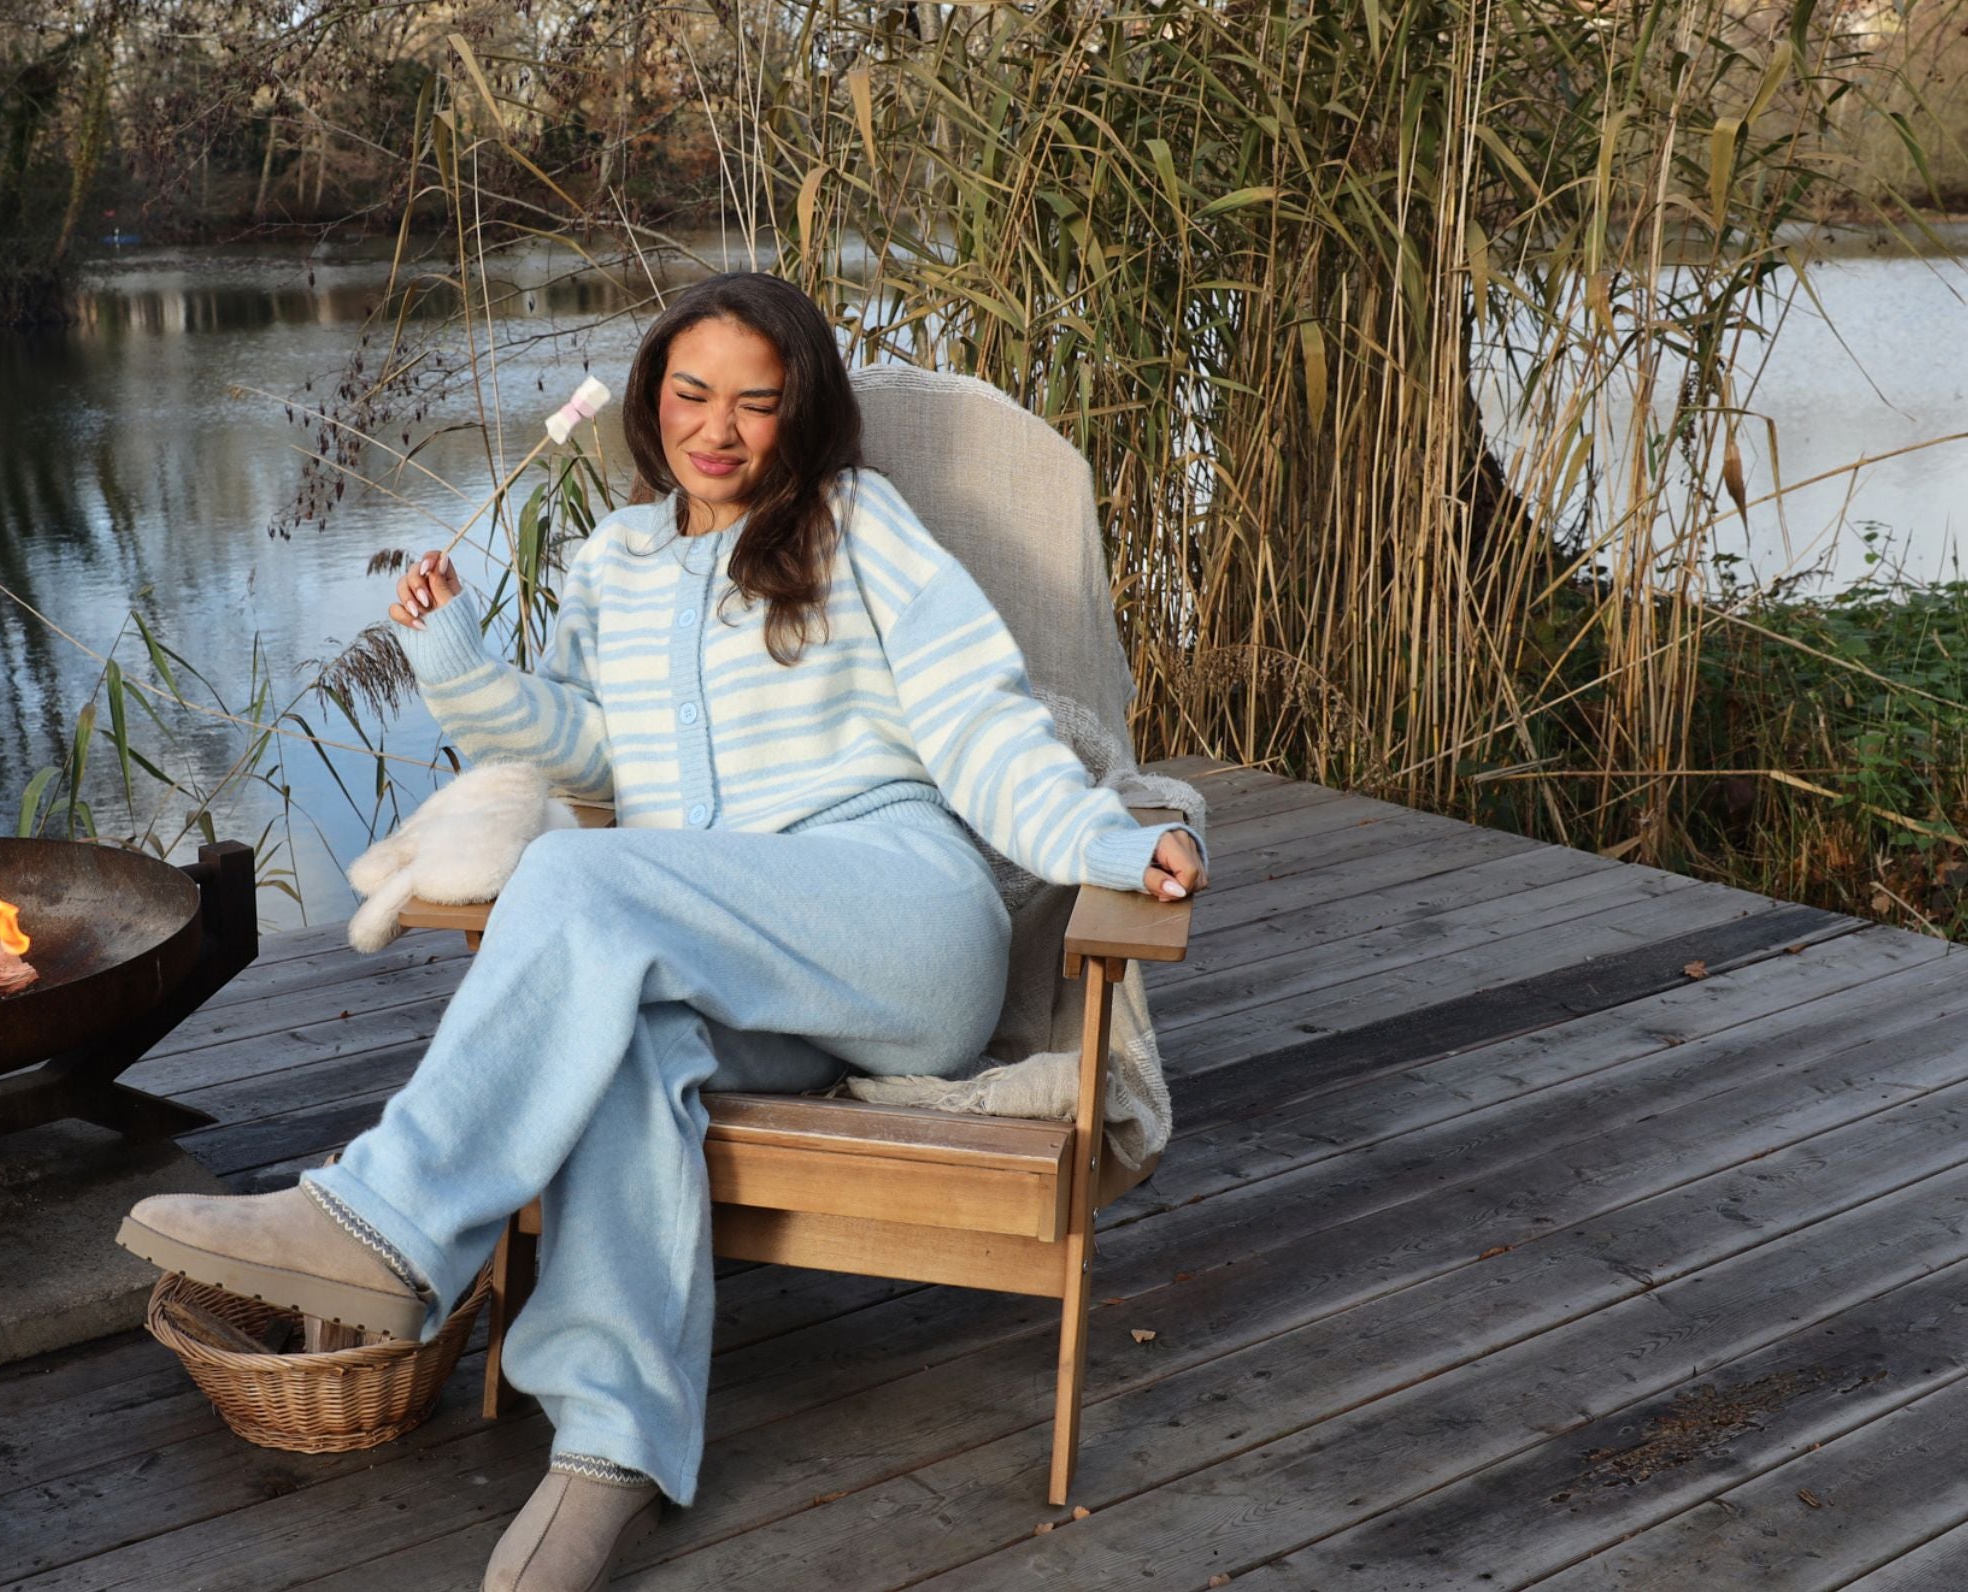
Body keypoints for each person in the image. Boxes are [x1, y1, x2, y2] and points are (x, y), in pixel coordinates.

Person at [121, 272, 1209, 1590]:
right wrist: (453, 653)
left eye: (758, 401)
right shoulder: (614, 561)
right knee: (627, 1045)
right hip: (727, 961)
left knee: (582, 880)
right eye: (693, 393)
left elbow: (982, 725)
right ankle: (611, 1454)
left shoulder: (858, 523)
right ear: (650, 401)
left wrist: (1107, 840)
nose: (719, 428)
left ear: (802, 414)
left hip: (902, 923)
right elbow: (587, 751)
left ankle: (385, 1222)